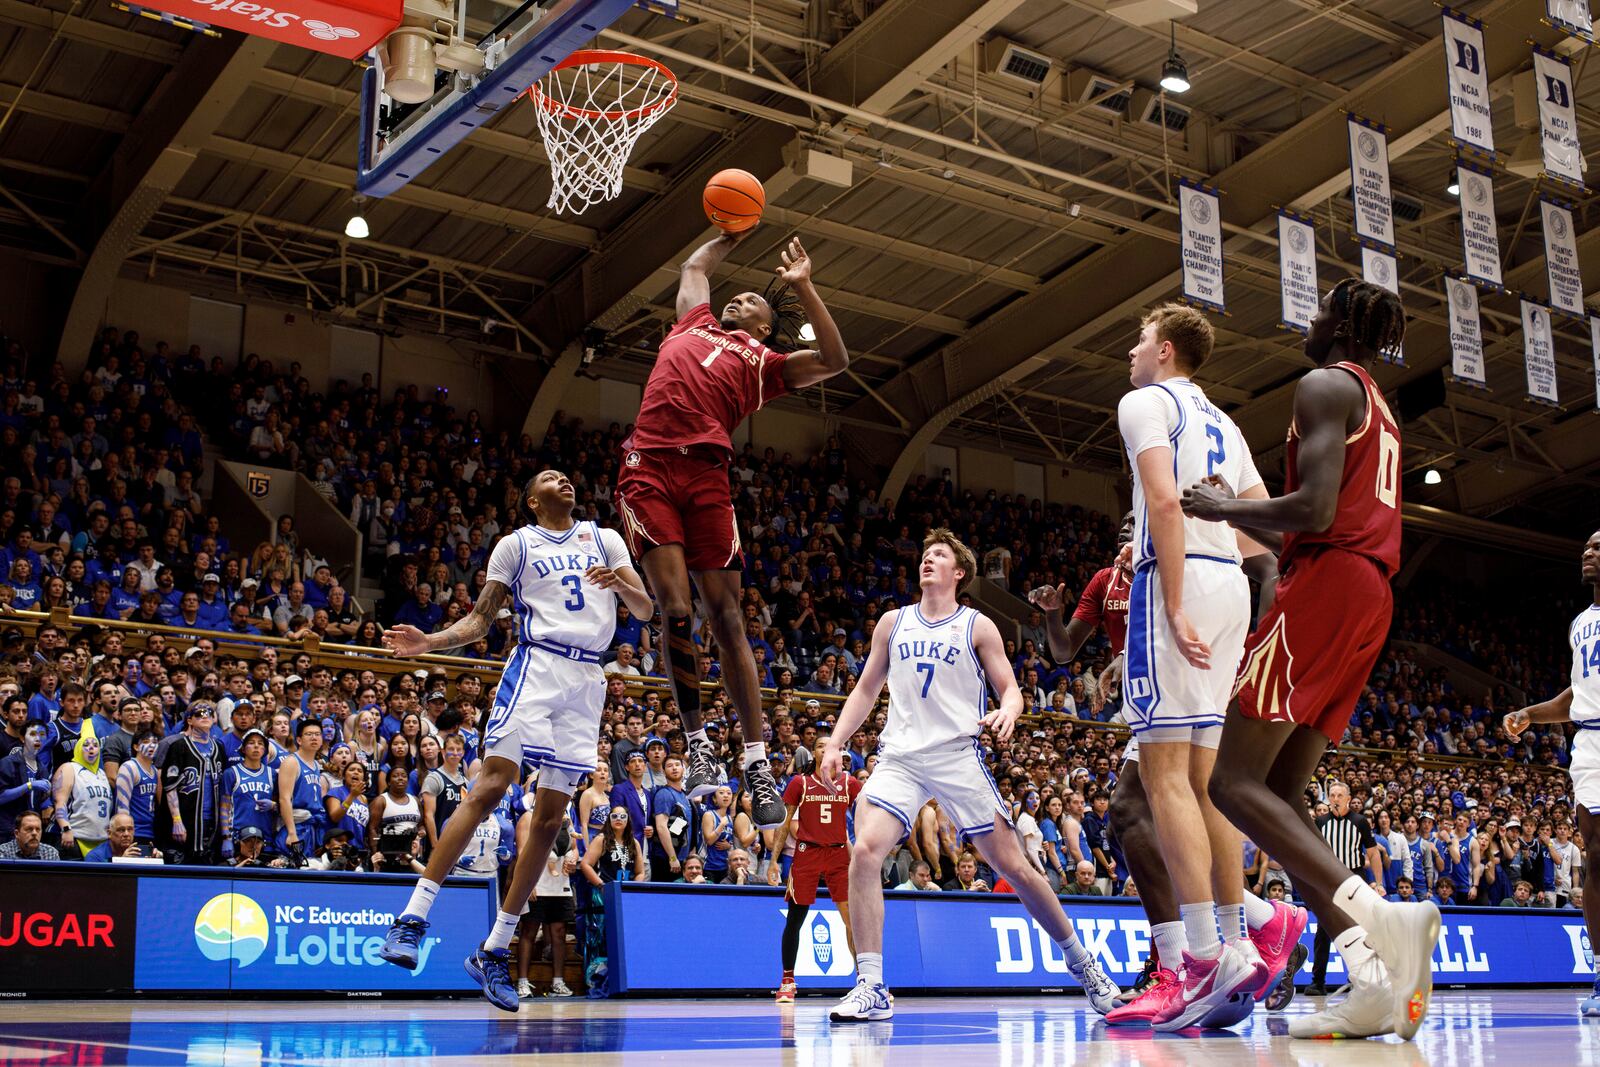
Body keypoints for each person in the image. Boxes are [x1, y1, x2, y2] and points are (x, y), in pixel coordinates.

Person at [1187, 278, 1440, 1041]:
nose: (1310, 316)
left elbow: (1318, 508)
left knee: (1229, 780)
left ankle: (1380, 918)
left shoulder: (1326, 383)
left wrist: (1224, 507)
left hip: (1330, 576)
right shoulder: (1381, 404)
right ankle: (1370, 974)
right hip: (1371, 592)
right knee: (1283, 792)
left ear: (1342, 327)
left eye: (1322, 307)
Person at [379, 470, 651, 1012]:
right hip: (537, 665)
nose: (565, 481)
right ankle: (412, 918)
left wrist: (620, 583)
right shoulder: (517, 544)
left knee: (551, 821)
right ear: (531, 500)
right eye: (551, 478)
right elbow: (482, 621)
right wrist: (430, 640)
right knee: (491, 786)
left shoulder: (605, 538)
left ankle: (495, 949)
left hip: (587, 681)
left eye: (569, 477)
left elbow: (644, 609)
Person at [823, 529, 1118, 1022]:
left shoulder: (977, 625)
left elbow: (1010, 687)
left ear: (959, 573)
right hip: (900, 757)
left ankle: (1084, 965)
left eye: (938, 556)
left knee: (1017, 867)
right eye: (924, 555)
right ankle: (871, 984)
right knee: (866, 850)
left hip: (958, 755)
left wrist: (1008, 710)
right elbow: (865, 688)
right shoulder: (892, 624)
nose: (927, 561)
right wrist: (835, 742)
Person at [614, 229, 848, 829]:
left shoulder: (766, 364)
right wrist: (728, 230)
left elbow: (836, 360)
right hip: (649, 468)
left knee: (728, 619)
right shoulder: (690, 322)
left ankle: (755, 759)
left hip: (708, 477)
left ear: (766, 327)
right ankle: (696, 747)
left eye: (752, 300)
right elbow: (694, 264)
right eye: (735, 295)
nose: (739, 298)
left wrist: (804, 287)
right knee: (674, 607)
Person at [1110, 302, 1279, 1031]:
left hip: (1176, 580)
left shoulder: (1145, 401)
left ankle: (1203, 958)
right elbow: (1263, 520)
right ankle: (1237, 941)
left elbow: (1162, 502)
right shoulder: (1227, 421)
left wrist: (1173, 602)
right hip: (1233, 586)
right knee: (1204, 780)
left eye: (1140, 341)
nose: (1131, 353)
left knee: (1163, 776)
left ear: (1167, 350)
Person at [1503, 526, 1599, 1016]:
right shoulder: (1581, 622)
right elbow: (1576, 693)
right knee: (1597, 858)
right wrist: (1530, 715)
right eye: (1586, 545)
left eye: (1599, 547)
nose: (1588, 551)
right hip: (1590, 745)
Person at [769, 732, 861, 1003]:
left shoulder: (849, 783)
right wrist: (774, 860)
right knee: (795, 919)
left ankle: (865, 980)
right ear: (814, 754)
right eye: (820, 746)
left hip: (838, 855)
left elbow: (865, 815)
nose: (825, 749)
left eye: (830, 745)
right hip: (806, 853)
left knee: (852, 920)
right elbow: (784, 823)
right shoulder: (801, 782)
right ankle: (787, 981)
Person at [1302, 782, 1385, 996]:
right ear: (1328, 798)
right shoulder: (1320, 822)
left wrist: (1378, 883)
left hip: (1354, 878)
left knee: (1361, 931)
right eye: (1333, 795)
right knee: (1323, 933)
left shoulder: (1360, 822)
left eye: (1340, 795)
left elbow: (1373, 853)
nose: (1336, 798)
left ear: (1348, 798)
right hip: (1328, 882)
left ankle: (1362, 979)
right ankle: (1318, 982)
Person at [517, 807, 579, 999]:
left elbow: (575, 848)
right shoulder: (529, 816)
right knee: (529, 931)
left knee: (559, 933)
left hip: (560, 884)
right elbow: (521, 851)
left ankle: (558, 982)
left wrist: (573, 861)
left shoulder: (567, 817)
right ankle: (521, 982)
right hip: (537, 883)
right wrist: (528, 882)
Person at [155, 700, 227, 865]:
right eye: (198, 714)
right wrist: (177, 821)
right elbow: (170, 786)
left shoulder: (218, 748)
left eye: (208, 713)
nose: (204, 716)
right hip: (185, 820)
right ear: (189, 720)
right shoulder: (178, 746)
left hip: (211, 823)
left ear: (214, 719)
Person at [53, 726, 112, 858]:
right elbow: (60, 802)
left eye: (95, 745)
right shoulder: (69, 768)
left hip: (101, 842)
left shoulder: (102, 774)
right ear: (78, 748)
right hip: (75, 840)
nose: (91, 748)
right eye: (85, 745)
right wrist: (66, 828)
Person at [276, 717, 326, 864]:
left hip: (311, 826)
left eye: (317, 734)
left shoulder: (316, 765)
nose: (314, 737)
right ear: (299, 740)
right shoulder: (291, 762)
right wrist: (292, 833)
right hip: (296, 825)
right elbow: (284, 799)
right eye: (309, 734)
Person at [221, 729, 277, 855]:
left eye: (260, 743)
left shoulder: (272, 774)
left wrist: (274, 805)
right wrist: (226, 838)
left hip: (265, 839)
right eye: (251, 743)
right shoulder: (231, 773)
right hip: (239, 838)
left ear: (265, 750)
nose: (256, 746)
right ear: (243, 749)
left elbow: (282, 805)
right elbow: (224, 808)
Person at [0, 721, 53, 843]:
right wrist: (29, 786)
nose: (38, 738)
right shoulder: (8, 763)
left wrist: (47, 802)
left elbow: (39, 800)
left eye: (42, 734)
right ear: (22, 738)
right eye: (33, 734)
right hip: (7, 830)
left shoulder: (42, 769)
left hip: (31, 832)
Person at [114, 728, 161, 853]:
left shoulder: (155, 771)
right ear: (136, 747)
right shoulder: (129, 767)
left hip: (151, 832)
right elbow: (122, 806)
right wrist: (126, 834)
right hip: (134, 832)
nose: (151, 745)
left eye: (155, 742)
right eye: (146, 742)